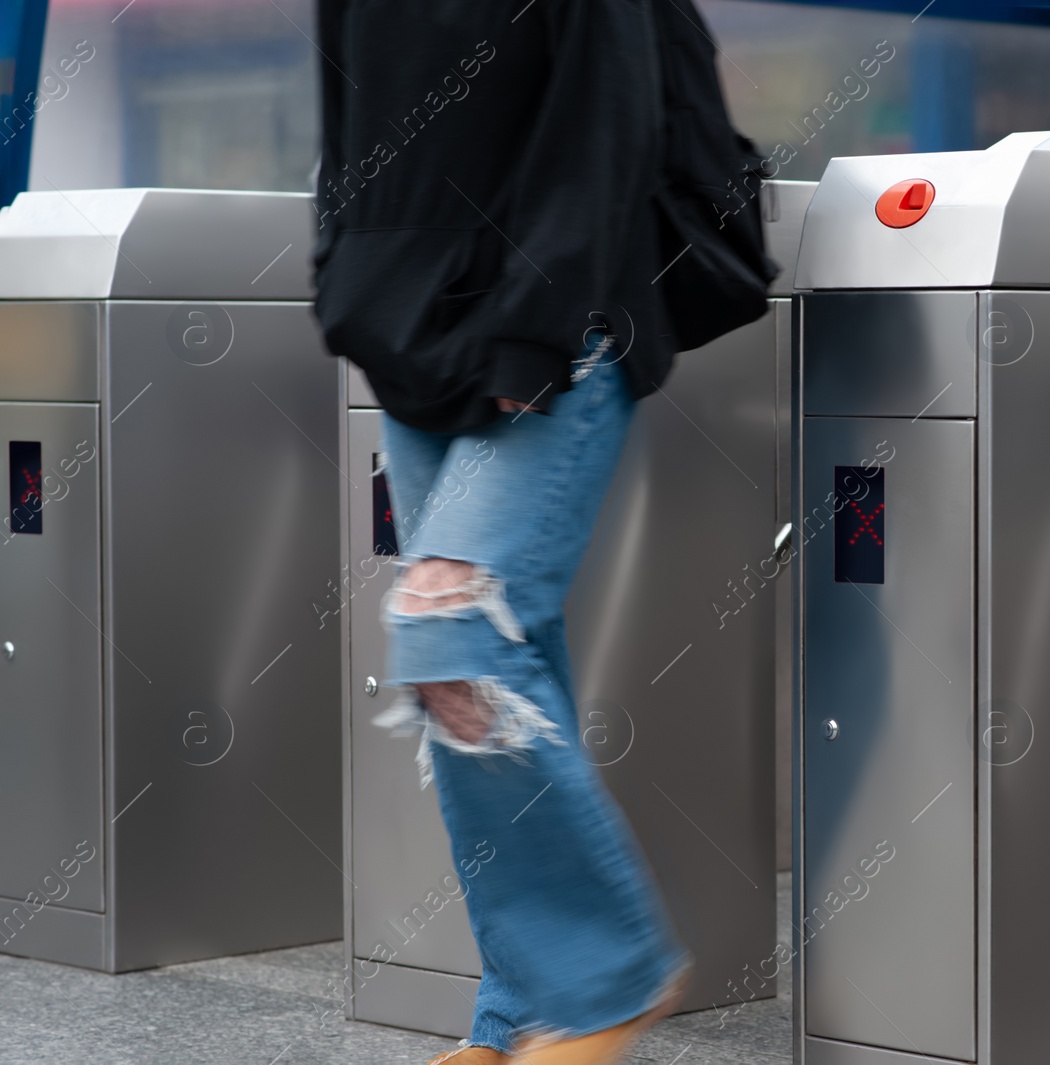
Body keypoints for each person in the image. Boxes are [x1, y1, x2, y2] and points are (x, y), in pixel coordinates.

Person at [312, 2, 690, 1062]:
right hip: (415, 344)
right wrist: (343, 283)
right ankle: (521, 1013)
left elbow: (606, 125)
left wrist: (536, 328)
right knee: (515, 675)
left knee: (449, 636)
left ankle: (613, 983)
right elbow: (349, 126)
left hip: (556, 341)